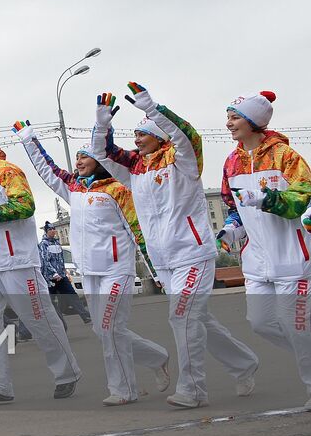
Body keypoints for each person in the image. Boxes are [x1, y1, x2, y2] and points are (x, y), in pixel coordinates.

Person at [93, 85, 259, 408]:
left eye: (143, 133)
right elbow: (101, 154)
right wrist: (101, 125)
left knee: (181, 317)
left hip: (192, 254)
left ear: (158, 136)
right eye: (135, 134)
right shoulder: (135, 169)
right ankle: (244, 363)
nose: (137, 139)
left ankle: (193, 389)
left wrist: (154, 110)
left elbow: (189, 136)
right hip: (165, 260)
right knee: (197, 321)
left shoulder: (183, 161)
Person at [16, 122, 171, 405]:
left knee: (110, 327)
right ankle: (157, 357)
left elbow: (138, 231)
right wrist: (29, 139)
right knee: (103, 330)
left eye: (85, 156)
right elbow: (47, 170)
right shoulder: (73, 188)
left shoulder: (119, 190)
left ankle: (123, 390)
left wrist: (156, 271)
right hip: (90, 272)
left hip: (116, 270)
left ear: (100, 159)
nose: (79, 161)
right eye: (77, 157)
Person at [0, 124, 81, 404]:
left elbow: (24, 206)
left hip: (15, 263)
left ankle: (67, 373)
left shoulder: (5, 170)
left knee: (39, 320)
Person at [218, 91, 311, 409]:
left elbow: (302, 199)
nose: (229, 123)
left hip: (291, 257)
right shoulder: (232, 161)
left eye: (234, 117)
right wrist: (232, 228)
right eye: (228, 117)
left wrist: (268, 199)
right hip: (256, 259)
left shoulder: (285, 155)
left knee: (295, 325)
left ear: (254, 121)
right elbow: (232, 206)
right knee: (260, 322)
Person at [38, 223, 91, 325]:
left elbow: (60, 259)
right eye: (50, 229)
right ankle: (58, 323)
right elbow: (45, 260)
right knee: (51, 301)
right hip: (50, 278)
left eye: (54, 229)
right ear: (46, 231)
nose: (53, 231)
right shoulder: (43, 244)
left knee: (71, 295)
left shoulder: (57, 243)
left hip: (61, 276)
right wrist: (53, 273)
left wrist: (63, 270)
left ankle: (85, 316)